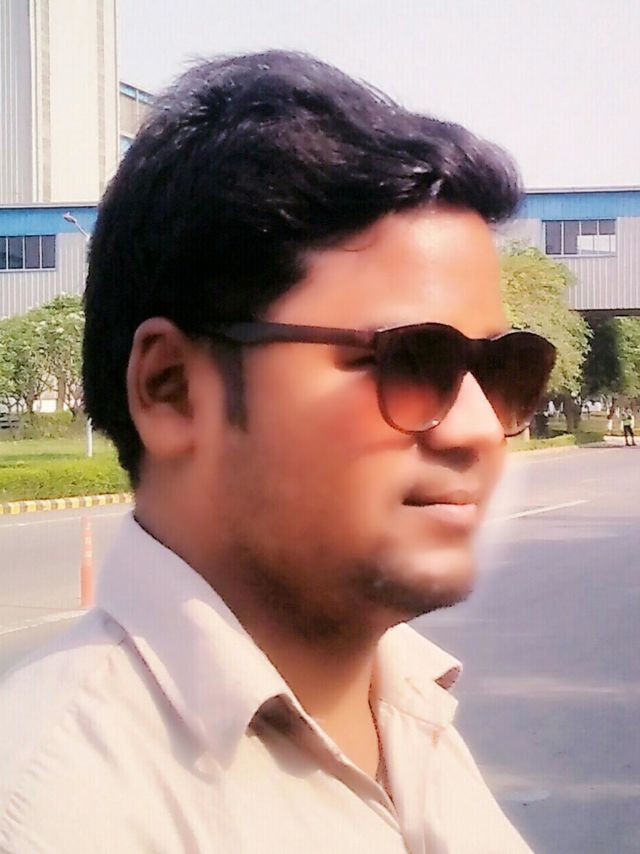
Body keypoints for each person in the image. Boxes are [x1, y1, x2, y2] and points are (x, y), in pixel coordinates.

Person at [0, 52, 555, 852]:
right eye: (411, 361)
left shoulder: (411, 712)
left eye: (502, 370)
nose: (476, 429)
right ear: (171, 390)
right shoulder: (53, 812)